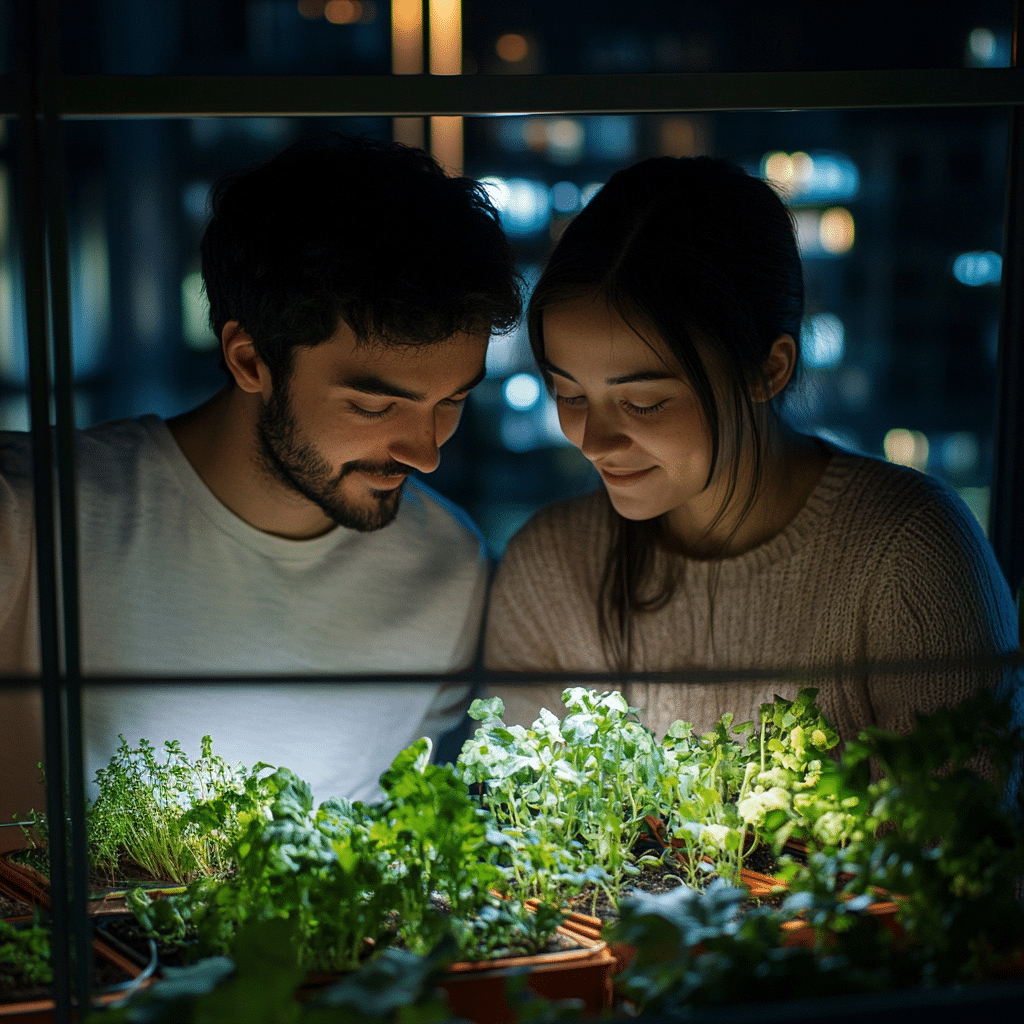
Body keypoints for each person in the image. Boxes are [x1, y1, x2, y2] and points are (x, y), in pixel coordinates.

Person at [0, 133, 521, 835]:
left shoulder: (448, 567)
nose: (426, 453)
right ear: (250, 360)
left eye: (451, 402)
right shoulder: (28, 522)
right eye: (373, 406)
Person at [485, 155, 1020, 751]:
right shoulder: (550, 570)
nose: (594, 440)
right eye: (570, 393)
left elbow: (962, 828)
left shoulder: (908, 556)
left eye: (642, 403)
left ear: (769, 369)